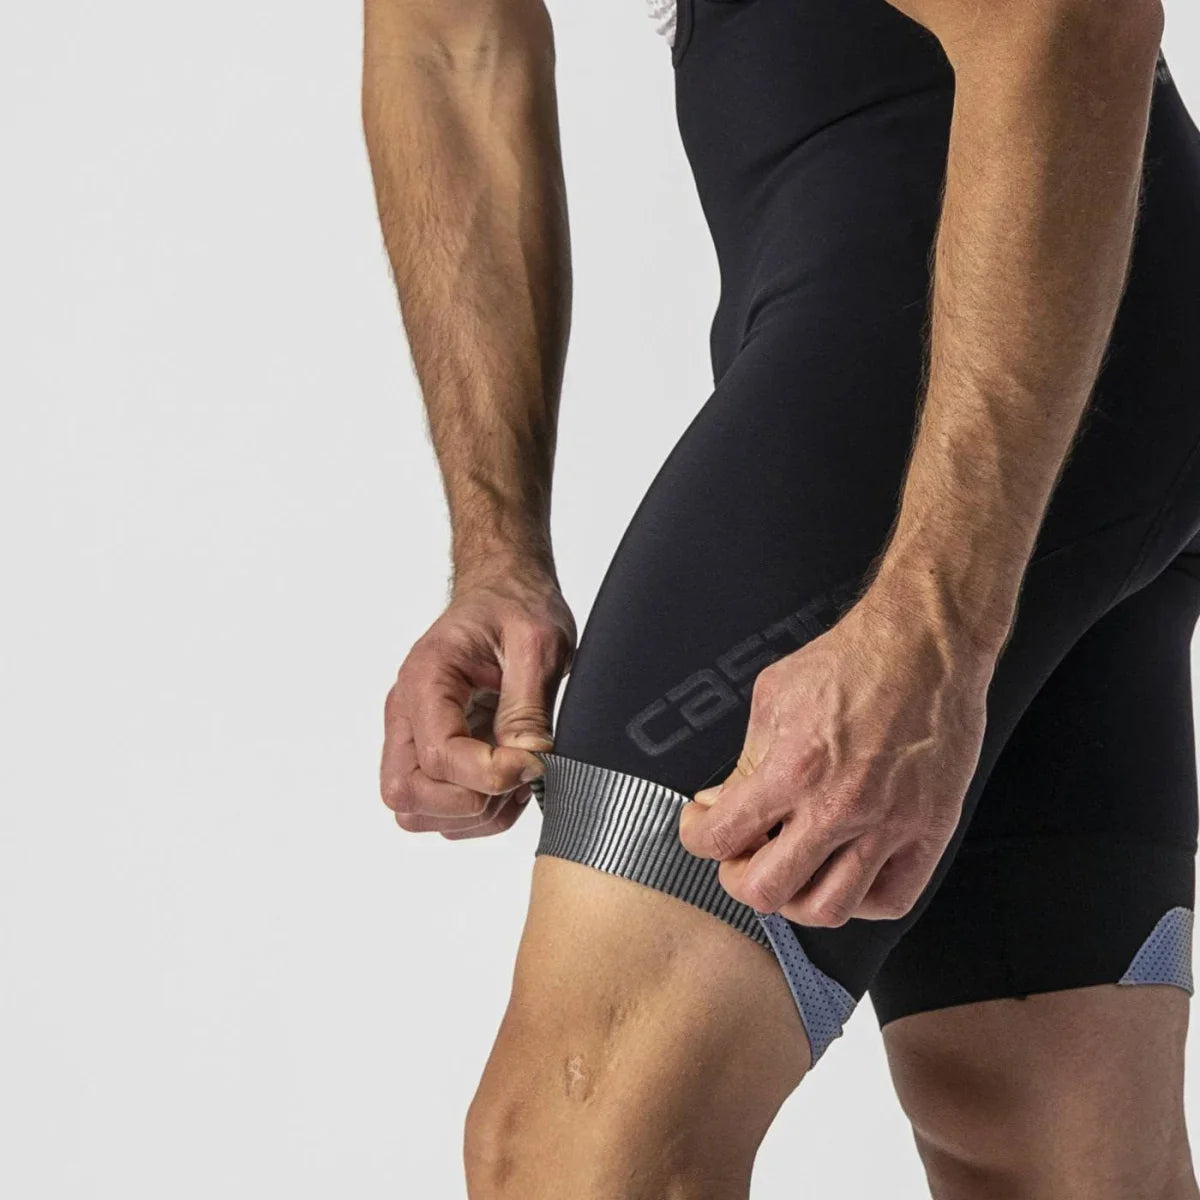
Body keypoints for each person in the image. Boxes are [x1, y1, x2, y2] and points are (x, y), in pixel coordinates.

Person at [363, 0, 1200, 1195]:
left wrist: (935, 618)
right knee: (1046, 1150)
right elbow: (449, 43)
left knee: (581, 1139)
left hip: (961, 311)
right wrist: (498, 553)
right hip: (1024, 296)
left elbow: (1065, 14)